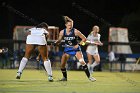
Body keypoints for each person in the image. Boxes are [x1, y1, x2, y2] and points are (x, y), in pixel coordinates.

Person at [54, 16, 96, 82]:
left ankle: (90, 77)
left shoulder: (76, 31)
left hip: (76, 50)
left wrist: (79, 44)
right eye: (69, 25)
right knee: (62, 65)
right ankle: (64, 78)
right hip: (67, 49)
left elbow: (84, 39)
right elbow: (59, 40)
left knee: (82, 62)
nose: (70, 26)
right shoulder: (62, 32)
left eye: (71, 25)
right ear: (65, 25)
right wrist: (56, 43)